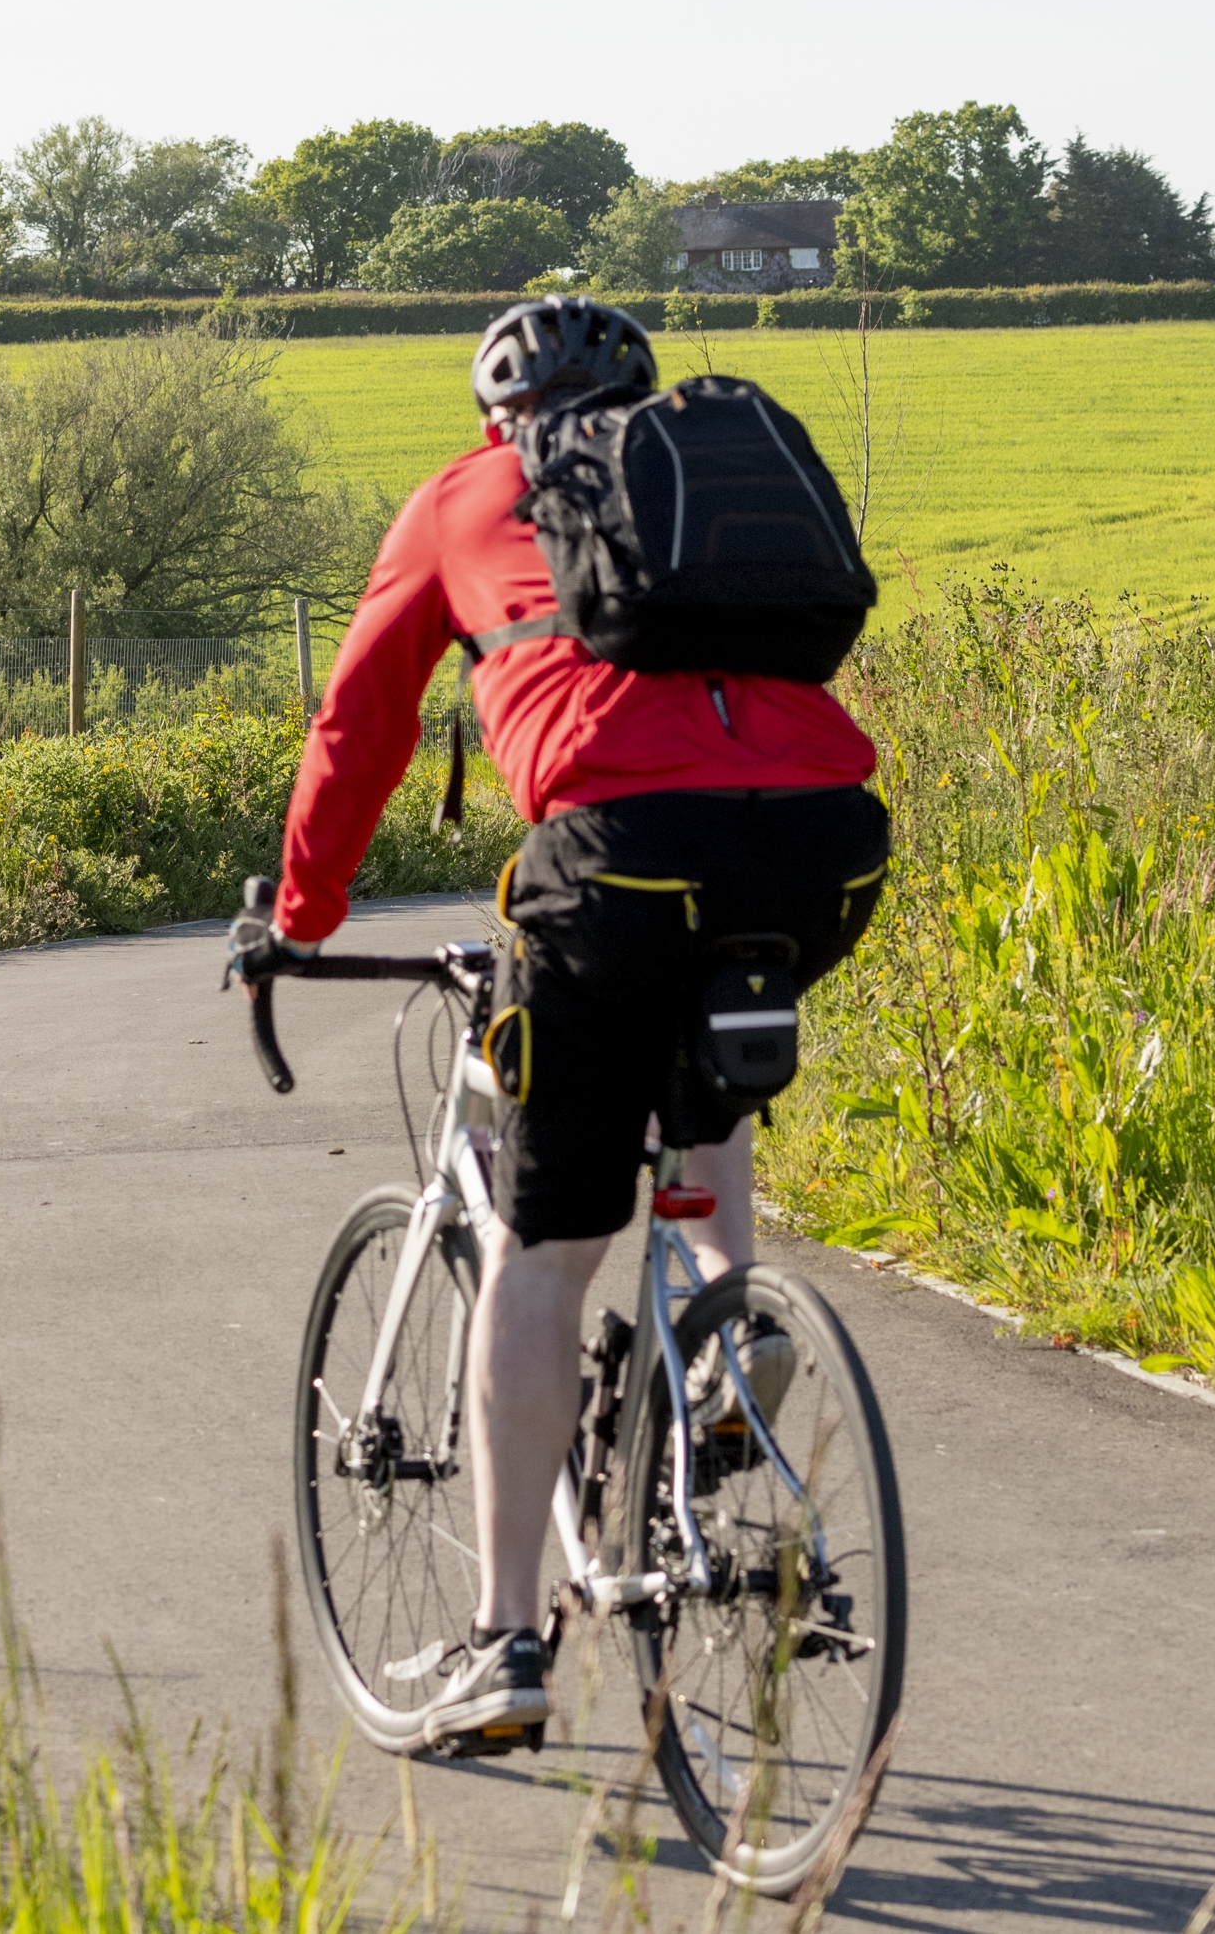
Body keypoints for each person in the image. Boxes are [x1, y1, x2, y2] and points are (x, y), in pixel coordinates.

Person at [233, 296, 892, 1748]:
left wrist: (303, 919)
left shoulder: (466, 499)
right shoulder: (697, 489)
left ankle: (506, 1643)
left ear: (494, 413)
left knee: (544, 1252)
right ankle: (734, 1324)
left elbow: (360, 724)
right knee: (703, 1089)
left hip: (615, 862)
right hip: (824, 846)